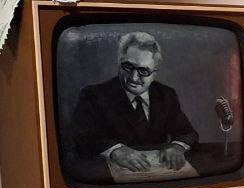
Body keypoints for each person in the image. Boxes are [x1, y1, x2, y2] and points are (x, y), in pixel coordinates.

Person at [73, 31, 198, 173]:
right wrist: (115, 150)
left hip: (159, 174)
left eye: (143, 71)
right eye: (128, 67)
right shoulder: (93, 95)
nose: (133, 77)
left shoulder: (166, 95)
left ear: (154, 73)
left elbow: (188, 133)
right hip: (108, 175)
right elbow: (82, 137)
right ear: (119, 64)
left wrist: (177, 146)